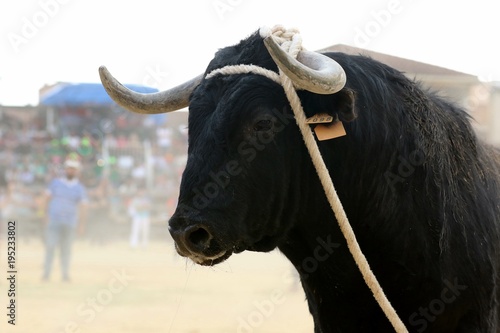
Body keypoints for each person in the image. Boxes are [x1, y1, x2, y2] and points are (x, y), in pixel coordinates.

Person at [42, 159, 88, 282]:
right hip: (54, 220)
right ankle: (46, 274)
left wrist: (81, 224)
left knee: (66, 249)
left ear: (77, 171)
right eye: (69, 168)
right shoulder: (55, 183)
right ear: (65, 169)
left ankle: (65, 274)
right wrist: (45, 215)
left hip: (70, 222)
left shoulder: (79, 188)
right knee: (50, 246)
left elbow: (83, 207)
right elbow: (46, 198)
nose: (70, 171)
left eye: (73, 169)